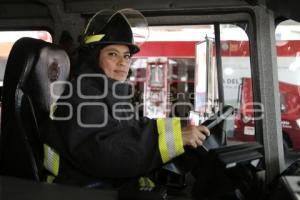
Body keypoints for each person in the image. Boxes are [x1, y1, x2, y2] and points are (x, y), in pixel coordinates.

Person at [41, 9, 210, 189]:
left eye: (127, 56)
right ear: (93, 56)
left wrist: (181, 130)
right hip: (81, 189)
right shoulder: (81, 94)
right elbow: (103, 152)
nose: (123, 62)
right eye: (112, 54)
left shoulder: (112, 92)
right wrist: (175, 139)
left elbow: (134, 127)